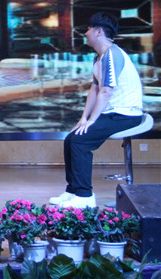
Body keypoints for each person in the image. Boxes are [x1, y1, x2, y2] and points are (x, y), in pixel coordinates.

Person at [50, 12, 143, 208]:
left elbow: (106, 91)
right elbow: (94, 89)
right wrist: (84, 118)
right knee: (71, 138)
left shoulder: (112, 54)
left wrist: (92, 121)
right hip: (113, 112)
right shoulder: (98, 58)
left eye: (88, 29)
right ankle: (72, 191)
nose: (85, 33)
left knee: (81, 141)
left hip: (126, 114)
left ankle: (85, 197)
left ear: (99, 31)